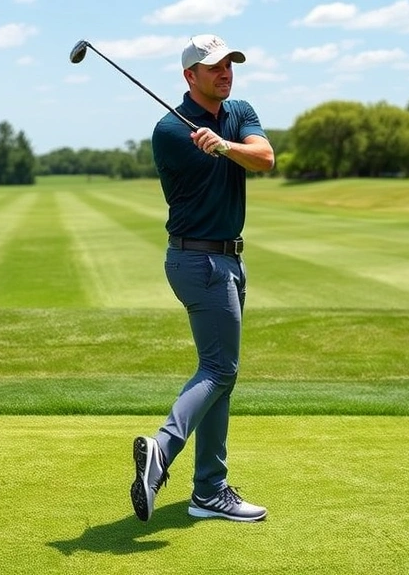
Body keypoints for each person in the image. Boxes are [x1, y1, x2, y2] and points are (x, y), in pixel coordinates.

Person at [130, 34, 275, 523]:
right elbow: (214, 163)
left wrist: (225, 143)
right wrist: (214, 148)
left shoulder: (240, 111)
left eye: (230, 63)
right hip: (199, 262)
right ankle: (162, 451)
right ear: (190, 76)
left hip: (229, 260)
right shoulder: (169, 131)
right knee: (219, 370)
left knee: (221, 375)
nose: (226, 72)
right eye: (214, 67)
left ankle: (209, 491)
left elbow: (265, 158)